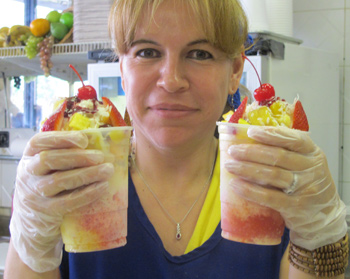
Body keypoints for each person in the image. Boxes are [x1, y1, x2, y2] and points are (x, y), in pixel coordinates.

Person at [5, 0, 348, 278]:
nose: (171, 80)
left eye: (200, 54)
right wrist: (31, 233)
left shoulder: (276, 182)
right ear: (122, 71)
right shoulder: (67, 183)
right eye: (148, 52)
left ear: (234, 73)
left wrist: (321, 235)